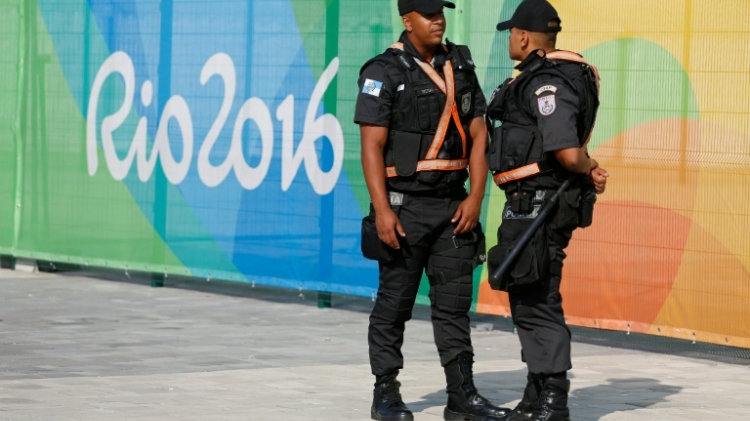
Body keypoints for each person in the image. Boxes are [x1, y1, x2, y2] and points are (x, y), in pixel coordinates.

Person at [354, 0, 510, 420]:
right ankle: (385, 393)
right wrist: (384, 210)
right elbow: (370, 146)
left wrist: (476, 197)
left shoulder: (459, 64)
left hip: (453, 207)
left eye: (440, 12)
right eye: (427, 14)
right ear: (407, 21)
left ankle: (462, 396)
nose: (438, 19)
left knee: (454, 306)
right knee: (394, 304)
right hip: (404, 210)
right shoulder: (382, 71)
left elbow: (479, 136)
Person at [483, 1, 609, 420]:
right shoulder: (549, 77)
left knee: (539, 298)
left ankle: (554, 398)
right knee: (527, 295)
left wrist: (588, 166)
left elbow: (567, 152)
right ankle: (537, 392)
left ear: (522, 36)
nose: (509, 41)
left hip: (542, 206)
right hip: (530, 205)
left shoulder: (547, 84)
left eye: (510, 35)